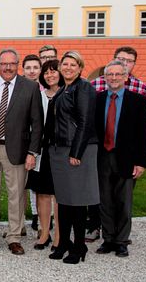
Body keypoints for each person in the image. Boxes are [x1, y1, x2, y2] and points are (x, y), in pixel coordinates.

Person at [0, 48, 42, 255]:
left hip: (18, 151)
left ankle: (14, 237)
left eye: (12, 64)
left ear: (17, 64)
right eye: (3, 64)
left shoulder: (30, 88)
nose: (7, 67)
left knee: (16, 195)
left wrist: (33, 152)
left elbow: (37, 123)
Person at [90, 46, 146, 241]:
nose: (113, 78)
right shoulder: (99, 98)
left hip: (126, 157)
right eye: (110, 74)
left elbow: (143, 133)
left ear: (125, 77)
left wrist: (141, 161)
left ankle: (121, 240)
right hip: (102, 156)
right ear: (105, 77)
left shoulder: (137, 100)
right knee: (105, 199)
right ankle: (108, 238)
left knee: (124, 200)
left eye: (118, 74)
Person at [49, 51, 99, 264]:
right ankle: (63, 243)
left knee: (77, 201)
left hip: (77, 150)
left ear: (80, 67)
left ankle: (79, 247)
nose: (68, 67)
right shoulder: (64, 89)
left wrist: (76, 153)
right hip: (60, 150)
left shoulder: (84, 87)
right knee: (64, 201)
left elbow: (86, 121)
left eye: (73, 64)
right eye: (65, 64)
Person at [26, 59, 63, 251]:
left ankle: (59, 235)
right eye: (46, 72)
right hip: (40, 150)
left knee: (58, 194)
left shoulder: (66, 94)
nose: (50, 75)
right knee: (41, 192)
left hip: (60, 151)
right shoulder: (39, 95)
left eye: (53, 71)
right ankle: (44, 232)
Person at [22, 54, 42, 231]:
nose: (32, 71)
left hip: (42, 142)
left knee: (40, 181)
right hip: (22, 142)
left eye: (35, 67)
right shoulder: (19, 88)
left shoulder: (47, 88)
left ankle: (44, 215)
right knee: (25, 182)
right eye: (28, 68)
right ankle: (33, 215)